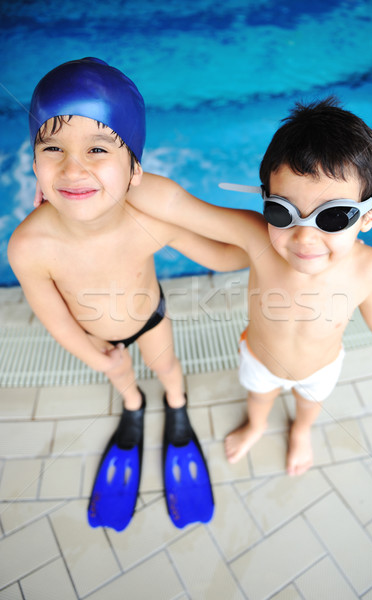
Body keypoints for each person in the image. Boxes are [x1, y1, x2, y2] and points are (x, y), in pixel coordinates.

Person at [8, 58, 248, 530]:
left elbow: (224, 256)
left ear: (134, 169)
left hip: (149, 317)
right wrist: (99, 359)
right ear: (34, 162)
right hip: (93, 334)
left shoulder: (150, 222)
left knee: (167, 366)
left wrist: (285, 231)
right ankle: (133, 404)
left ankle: (176, 403)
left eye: (98, 149)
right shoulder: (29, 247)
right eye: (52, 147)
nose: (72, 169)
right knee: (120, 375)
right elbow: (55, 319)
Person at [125, 97, 372, 476]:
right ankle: (257, 426)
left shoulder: (369, 268)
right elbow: (177, 204)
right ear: (265, 203)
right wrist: (107, 178)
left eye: (334, 216)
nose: (304, 238)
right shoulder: (259, 240)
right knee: (258, 399)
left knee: (309, 407)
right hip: (260, 358)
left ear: (369, 215)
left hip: (320, 368)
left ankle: (301, 432)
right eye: (282, 212)